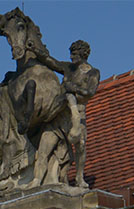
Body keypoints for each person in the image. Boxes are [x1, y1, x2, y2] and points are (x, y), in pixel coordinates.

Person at [41, 40, 101, 187]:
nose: (71, 57)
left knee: (81, 145)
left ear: (83, 54)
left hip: (78, 112)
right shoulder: (68, 67)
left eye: (74, 54)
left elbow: (90, 92)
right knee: (54, 142)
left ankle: (79, 177)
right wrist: (36, 50)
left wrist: (73, 87)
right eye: (71, 54)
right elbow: (51, 62)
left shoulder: (93, 72)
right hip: (62, 111)